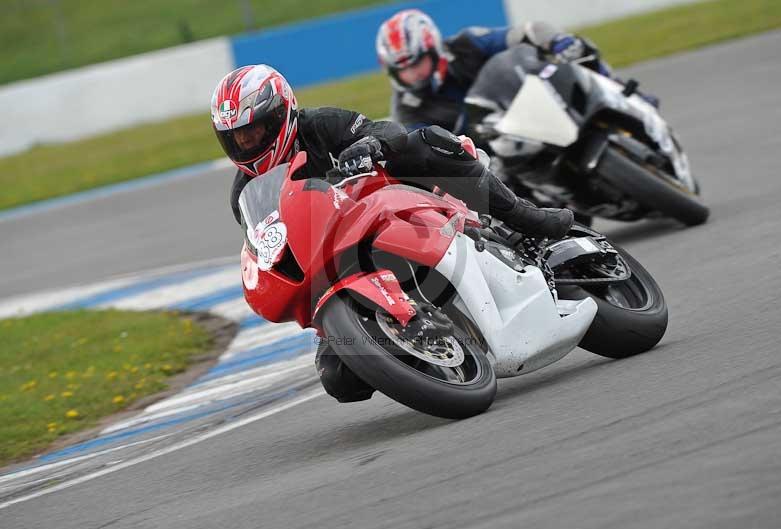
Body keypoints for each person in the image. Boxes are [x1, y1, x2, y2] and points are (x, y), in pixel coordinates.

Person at [211, 64, 574, 402]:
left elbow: (386, 130)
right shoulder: (244, 192)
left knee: (425, 142)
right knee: (338, 377)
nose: (248, 142)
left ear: (281, 114)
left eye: (255, 130)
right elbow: (268, 241)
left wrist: (369, 144)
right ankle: (425, 356)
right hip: (333, 263)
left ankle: (526, 218)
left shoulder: (320, 125)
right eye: (237, 137)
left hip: (386, 210)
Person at [376, 9, 658, 134]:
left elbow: (525, 32)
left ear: (433, 49)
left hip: (527, 101)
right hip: (493, 149)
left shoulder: (467, 44)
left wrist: (555, 40)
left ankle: (631, 99)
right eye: (402, 69)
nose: (412, 74)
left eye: (416, 63)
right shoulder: (407, 111)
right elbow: (420, 148)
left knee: (578, 49)